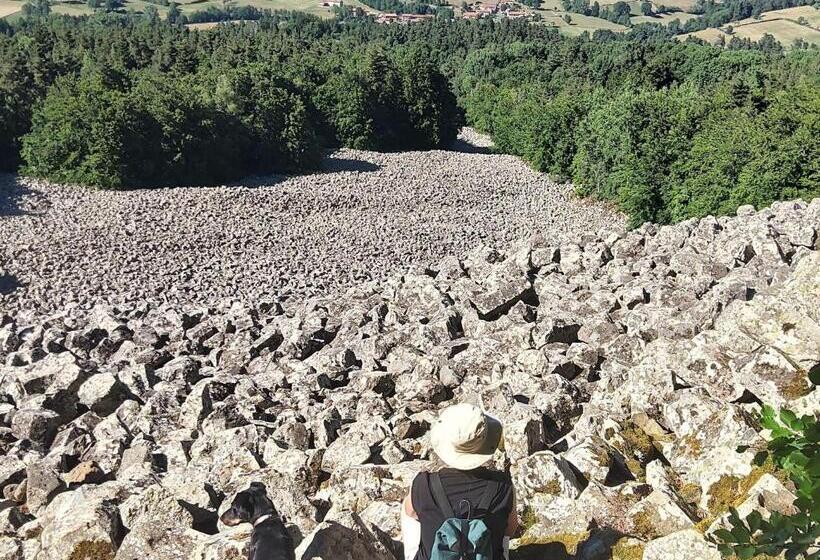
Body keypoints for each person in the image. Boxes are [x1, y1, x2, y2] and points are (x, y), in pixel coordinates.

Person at [402, 403, 518, 560]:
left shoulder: (424, 484)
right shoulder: (503, 486)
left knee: (407, 508)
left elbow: (411, 513)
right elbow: (510, 531)